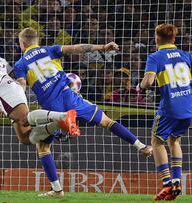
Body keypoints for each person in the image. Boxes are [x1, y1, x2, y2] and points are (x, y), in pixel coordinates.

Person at [14, 27, 153, 197]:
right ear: (37, 41)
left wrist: (7, 104)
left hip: (51, 106)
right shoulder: (50, 50)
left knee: (43, 147)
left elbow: (20, 87)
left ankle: (57, 189)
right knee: (107, 121)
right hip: (70, 96)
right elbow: (76, 48)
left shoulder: (20, 64)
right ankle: (142, 146)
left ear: (22, 44)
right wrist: (103, 47)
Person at [136, 23, 192, 201]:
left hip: (169, 108)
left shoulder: (155, 57)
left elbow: (148, 82)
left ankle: (167, 184)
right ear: (174, 39)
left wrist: (139, 86)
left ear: (157, 39)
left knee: (157, 142)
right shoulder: (186, 55)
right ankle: (177, 180)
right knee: (175, 140)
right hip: (188, 109)